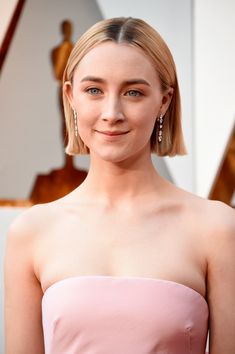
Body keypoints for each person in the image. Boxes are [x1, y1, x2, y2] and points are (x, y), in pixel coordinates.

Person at [4, 17, 235, 354]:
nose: (112, 112)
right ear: (70, 96)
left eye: (133, 92)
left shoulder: (216, 228)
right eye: (94, 90)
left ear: (164, 101)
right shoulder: (31, 232)